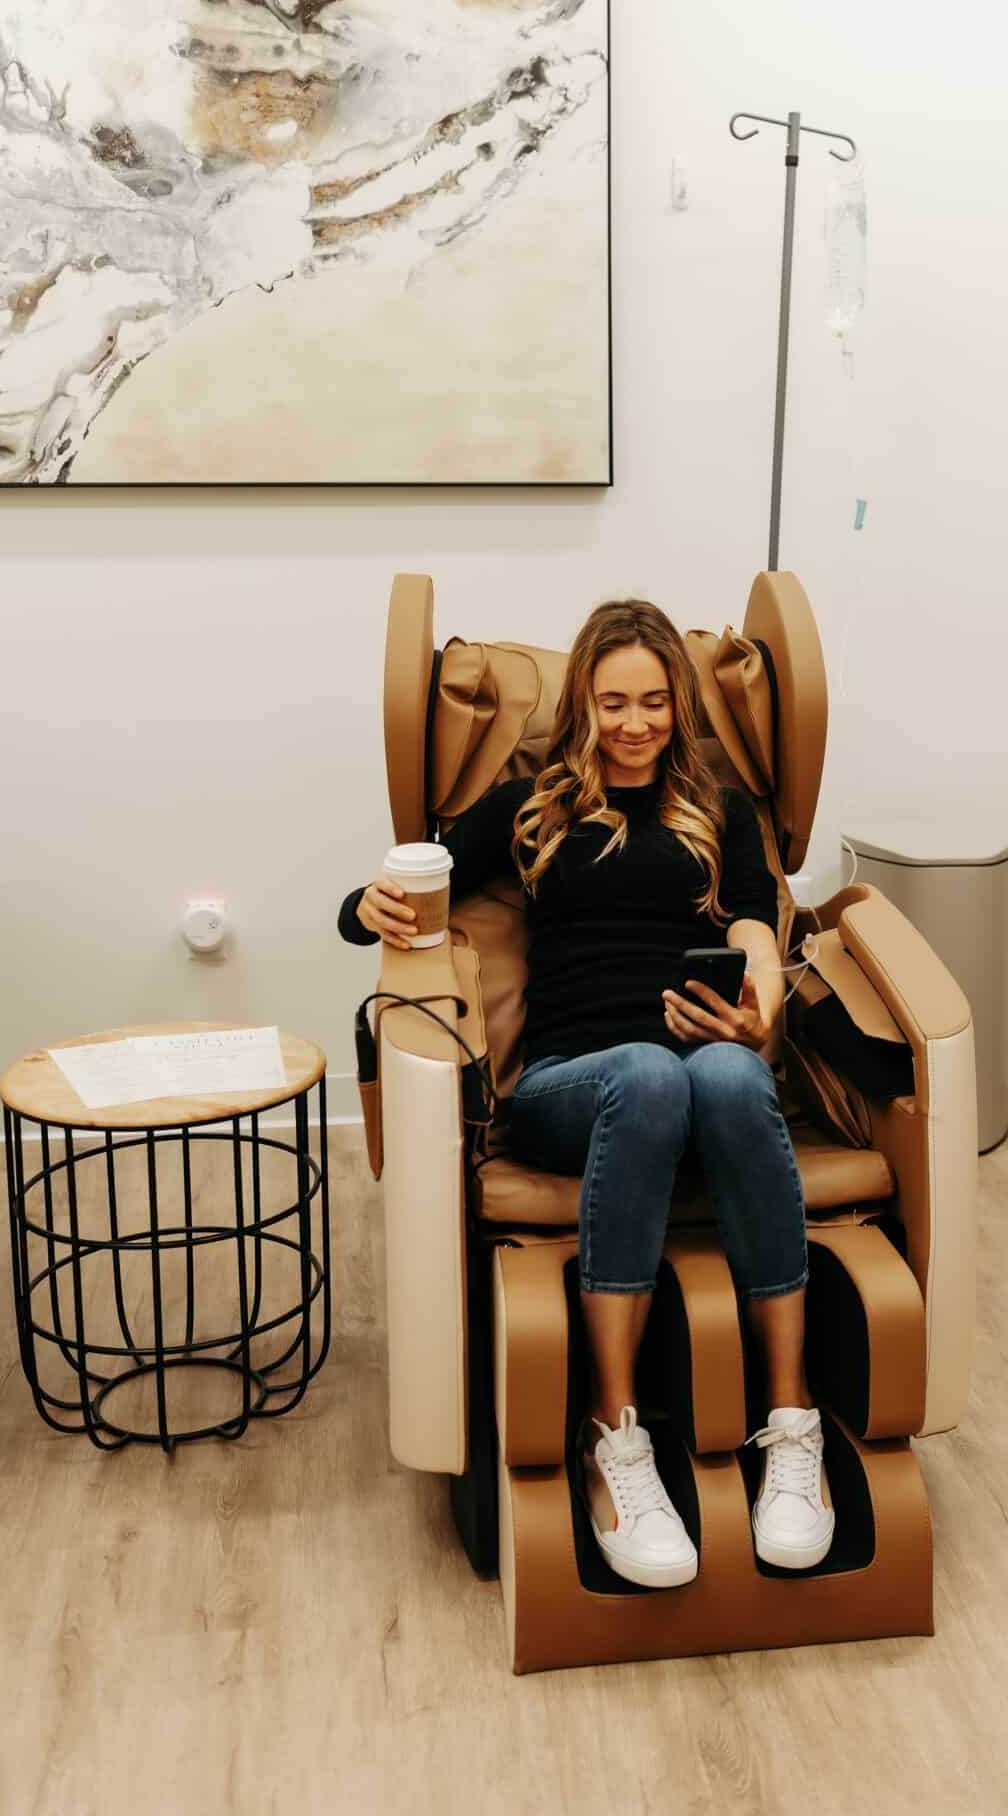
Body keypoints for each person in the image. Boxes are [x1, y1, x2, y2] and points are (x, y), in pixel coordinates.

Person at [338, 596, 833, 1589]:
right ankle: (616, 1439)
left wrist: (760, 1008)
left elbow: (750, 925)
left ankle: (792, 1429)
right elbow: (388, 905)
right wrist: (366, 904)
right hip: (570, 1085)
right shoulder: (534, 807)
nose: (636, 723)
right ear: (582, 705)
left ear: (678, 705)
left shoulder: (721, 810)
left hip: (700, 1079)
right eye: (614, 702)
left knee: (730, 1071)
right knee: (649, 1071)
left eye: (654, 701)